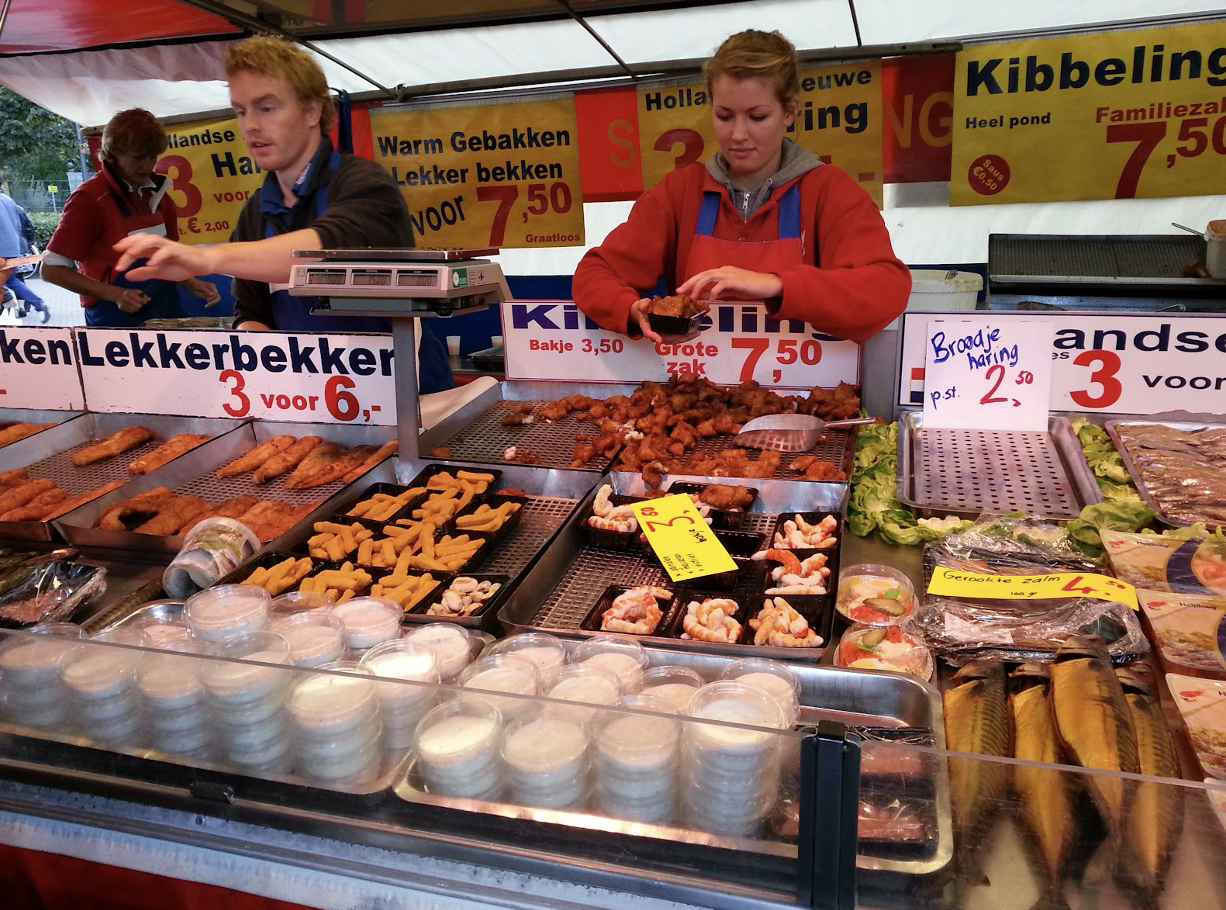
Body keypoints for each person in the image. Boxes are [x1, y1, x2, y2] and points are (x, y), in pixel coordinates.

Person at [113, 37, 453, 393]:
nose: (250, 126)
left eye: (267, 108)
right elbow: (252, 310)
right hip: (312, 400)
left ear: (310, 110)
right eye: (241, 111)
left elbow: (328, 250)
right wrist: (264, 360)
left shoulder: (365, 184)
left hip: (408, 399)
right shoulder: (256, 212)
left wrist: (207, 257)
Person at [573, 29, 910, 346]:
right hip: (696, 386)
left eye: (757, 117)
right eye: (724, 115)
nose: (737, 134)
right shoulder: (679, 192)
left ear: (789, 111)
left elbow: (887, 288)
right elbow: (594, 273)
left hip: (805, 395)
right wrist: (630, 310)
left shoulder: (830, 191)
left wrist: (777, 285)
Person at [41, 109, 220, 326]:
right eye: (137, 158)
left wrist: (191, 283)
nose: (146, 166)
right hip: (114, 319)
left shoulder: (158, 193)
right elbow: (50, 269)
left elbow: (166, 257)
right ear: (113, 153)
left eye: (152, 157)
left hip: (167, 309)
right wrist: (116, 294)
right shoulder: (89, 199)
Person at [0, 173, 49, 322]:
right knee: (12, 280)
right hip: (12, 249)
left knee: (9, 283)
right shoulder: (8, 201)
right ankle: (39, 304)